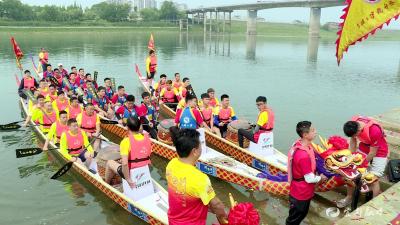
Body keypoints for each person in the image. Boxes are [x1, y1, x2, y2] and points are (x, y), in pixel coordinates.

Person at [166, 129, 228, 225]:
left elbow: (185, 194)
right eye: (200, 145)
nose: (201, 148)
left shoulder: (171, 164)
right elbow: (216, 205)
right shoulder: (200, 179)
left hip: (173, 220)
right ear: (194, 151)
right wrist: (223, 217)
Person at [337, 116, 389, 208]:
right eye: (352, 136)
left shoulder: (374, 130)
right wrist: (351, 159)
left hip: (379, 150)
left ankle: (373, 204)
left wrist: (362, 164)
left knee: (373, 179)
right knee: (350, 172)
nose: (354, 137)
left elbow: (373, 153)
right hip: (364, 147)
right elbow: (353, 141)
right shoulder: (353, 124)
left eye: (355, 135)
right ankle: (349, 197)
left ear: (359, 129)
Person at [286, 121, 327, 225]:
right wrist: (320, 178)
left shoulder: (299, 144)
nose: (315, 132)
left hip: (299, 189)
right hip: (301, 192)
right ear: (305, 135)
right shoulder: (303, 155)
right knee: (296, 217)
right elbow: (309, 178)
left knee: (298, 215)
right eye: (313, 130)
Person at [104, 116, 152, 186]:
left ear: (127, 128)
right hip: (145, 168)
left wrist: (128, 179)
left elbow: (125, 164)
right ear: (139, 126)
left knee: (109, 162)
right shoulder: (147, 137)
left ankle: (106, 184)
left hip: (132, 172)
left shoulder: (126, 141)